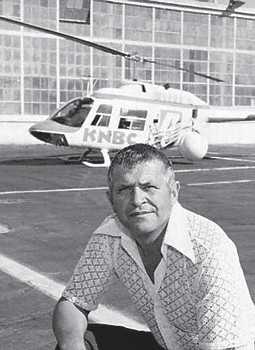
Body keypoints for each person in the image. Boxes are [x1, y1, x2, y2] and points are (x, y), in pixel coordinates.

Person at [53, 143, 255, 350]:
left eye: (148, 187)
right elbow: (73, 303)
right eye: (124, 190)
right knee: (82, 339)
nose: (137, 200)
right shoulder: (109, 235)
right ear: (110, 199)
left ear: (173, 191)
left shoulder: (208, 248)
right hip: (168, 345)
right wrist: (72, 345)